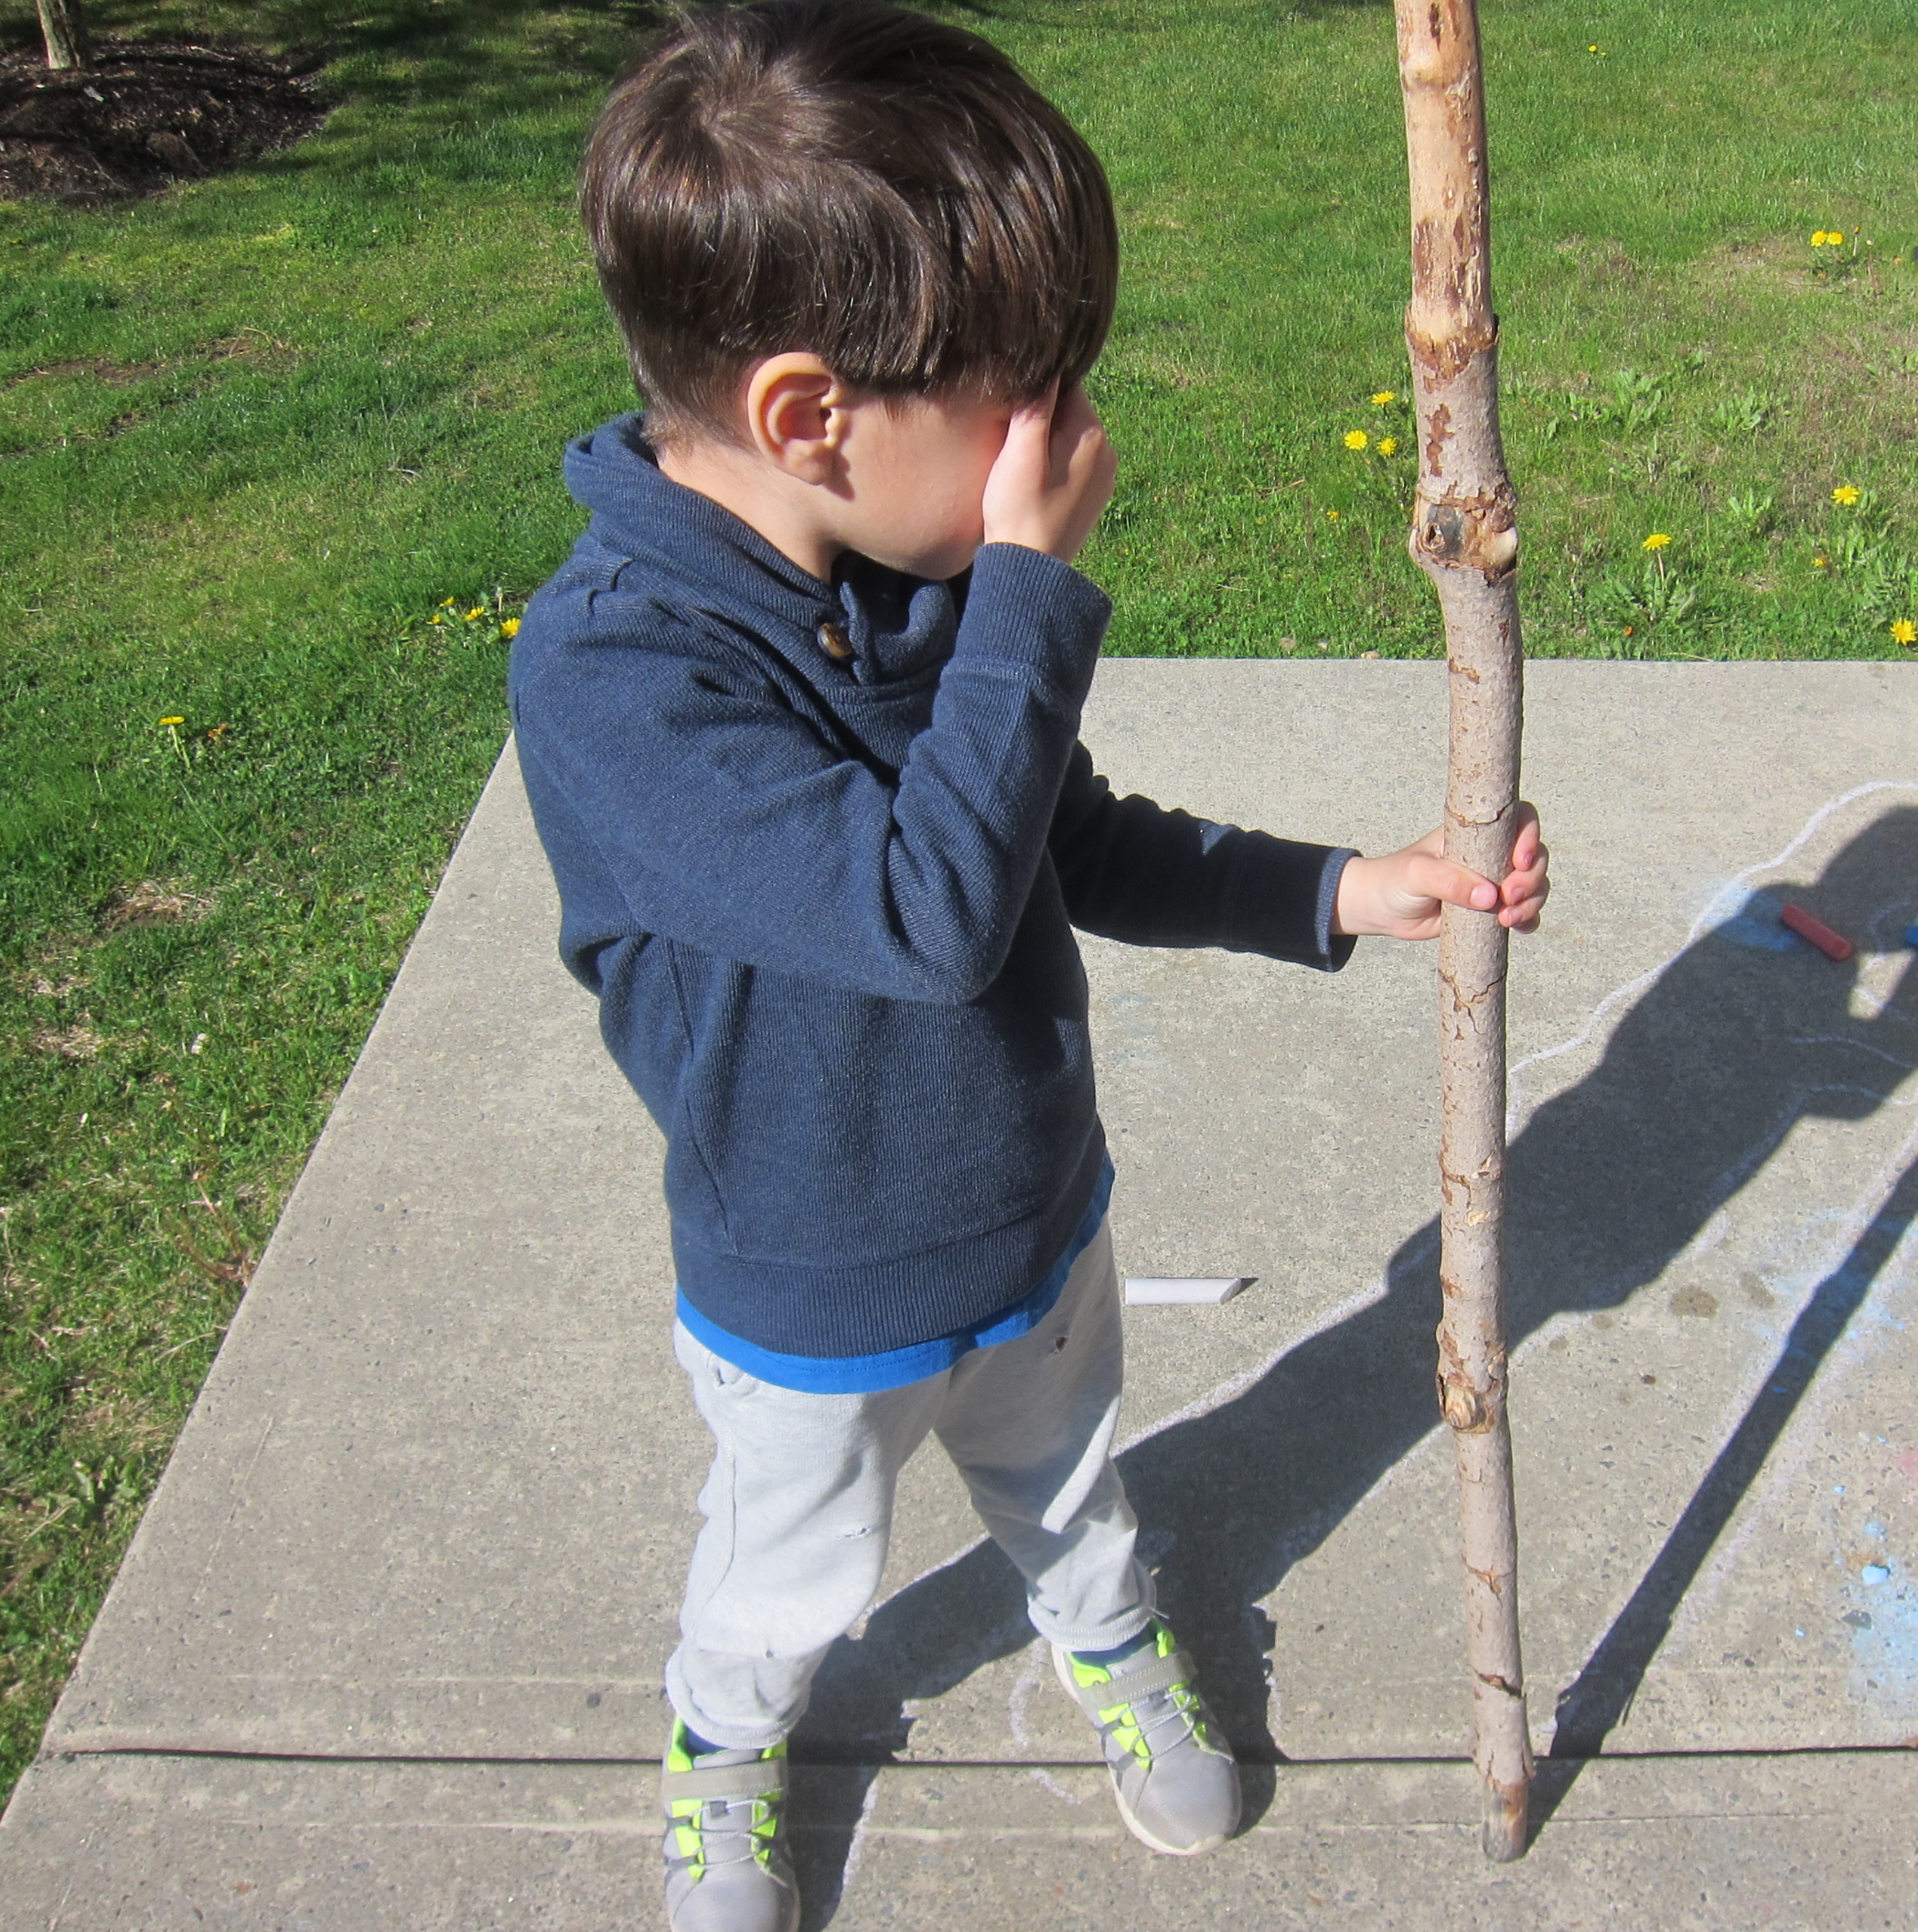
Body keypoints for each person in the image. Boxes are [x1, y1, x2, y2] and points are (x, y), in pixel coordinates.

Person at [508, 5, 1550, 1926]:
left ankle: (1108, 1642)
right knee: (785, 1578)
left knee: (1071, 1488)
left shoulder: (904, 589)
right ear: (810, 415)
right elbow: (920, 912)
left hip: (1033, 1221)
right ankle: (722, 1742)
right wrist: (1032, 592)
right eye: (1028, 390)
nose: (1067, 442)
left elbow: (1049, 839)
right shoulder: (617, 680)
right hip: (807, 1292)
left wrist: (1339, 891)